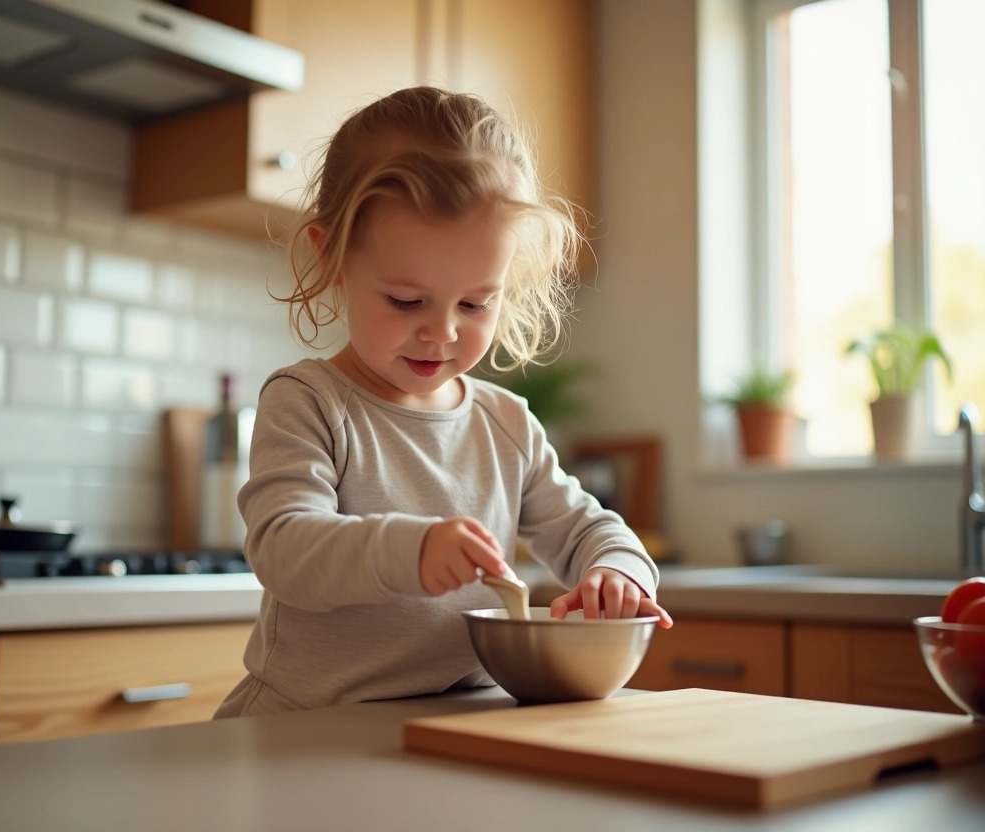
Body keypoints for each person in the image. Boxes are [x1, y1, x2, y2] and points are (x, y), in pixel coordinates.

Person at [214, 86, 672, 719]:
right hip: (304, 727)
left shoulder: (505, 423)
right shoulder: (309, 402)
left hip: (450, 726)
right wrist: (413, 551)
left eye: (476, 303)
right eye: (406, 301)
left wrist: (619, 573)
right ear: (333, 257)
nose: (443, 332)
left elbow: (591, 529)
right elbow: (286, 550)